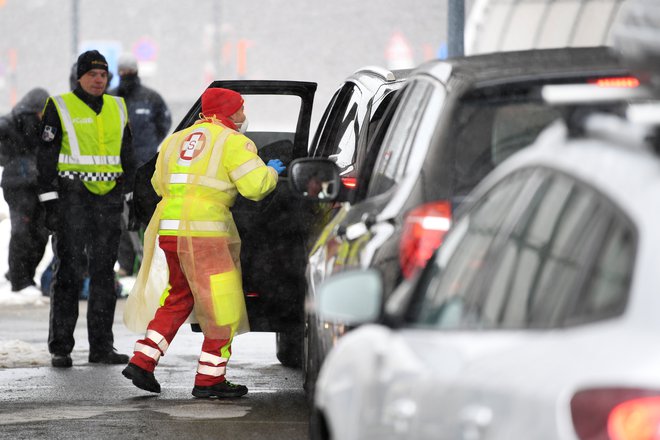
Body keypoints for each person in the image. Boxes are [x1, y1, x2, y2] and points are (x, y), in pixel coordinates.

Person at [122, 87, 286, 398]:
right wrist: (271, 171)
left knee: (178, 298)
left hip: (170, 231)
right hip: (207, 234)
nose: (244, 116)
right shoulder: (235, 142)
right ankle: (210, 380)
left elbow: (157, 183)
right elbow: (256, 187)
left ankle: (143, 360)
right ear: (228, 112)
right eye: (240, 109)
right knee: (221, 308)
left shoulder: (175, 140)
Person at [37, 50, 137, 368]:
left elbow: (128, 154)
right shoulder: (60, 105)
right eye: (92, 74)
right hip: (72, 198)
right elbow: (46, 155)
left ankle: (102, 347)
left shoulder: (118, 107)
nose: (98, 80)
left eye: (103, 75)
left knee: (104, 275)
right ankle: (61, 347)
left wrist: (133, 197)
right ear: (79, 77)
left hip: (107, 201)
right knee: (68, 272)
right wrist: (49, 200)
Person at [110, 52, 172, 277]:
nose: (126, 74)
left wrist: (150, 144)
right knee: (123, 220)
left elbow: (163, 122)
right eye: (123, 71)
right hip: (117, 168)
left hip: (145, 167)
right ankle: (126, 265)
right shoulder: (111, 98)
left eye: (129, 70)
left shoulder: (151, 98)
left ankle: (152, 263)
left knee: (147, 215)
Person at [0, 88, 50, 296]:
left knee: (40, 233)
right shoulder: (8, 125)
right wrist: (16, 164)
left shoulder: (45, 128)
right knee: (23, 231)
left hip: (38, 186)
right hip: (17, 187)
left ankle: (21, 275)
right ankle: (20, 281)